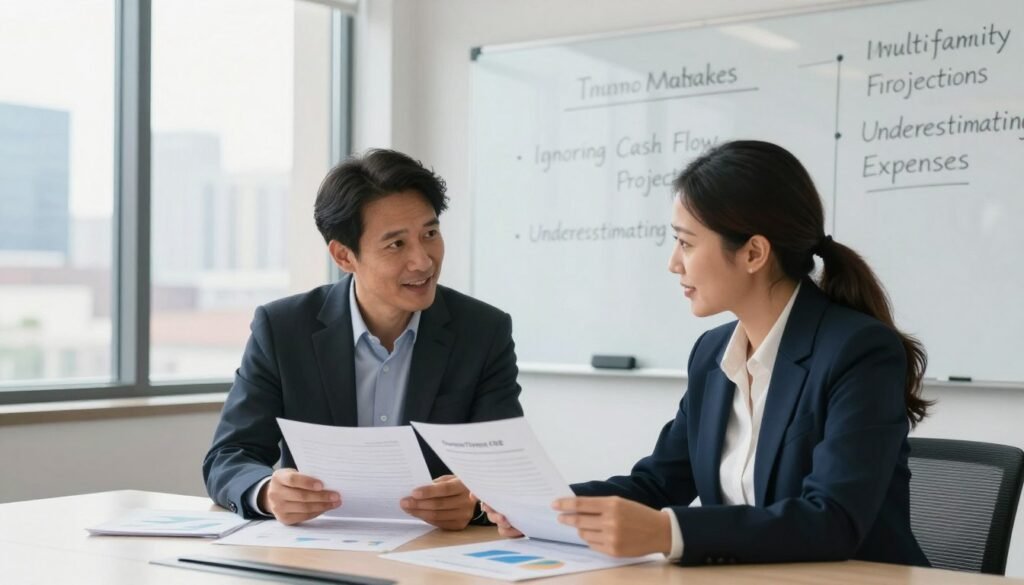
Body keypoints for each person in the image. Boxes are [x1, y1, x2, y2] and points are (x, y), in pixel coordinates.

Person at [484, 140, 931, 566]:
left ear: (754, 252)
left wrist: (669, 532)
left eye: (687, 242)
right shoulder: (713, 352)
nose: (674, 263)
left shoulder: (858, 351)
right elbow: (658, 482)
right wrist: (537, 505)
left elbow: (831, 520)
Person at [204, 148, 524, 530]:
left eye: (430, 234)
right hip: (318, 551)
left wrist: (472, 503)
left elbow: (503, 472)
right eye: (396, 244)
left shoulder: (483, 332)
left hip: (435, 555)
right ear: (343, 256)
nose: (423, 261)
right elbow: (229, 455)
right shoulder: (283, 328)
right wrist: (266, 492)